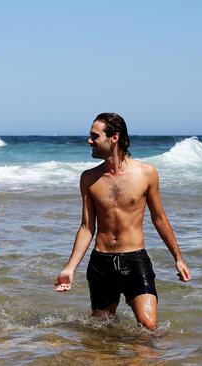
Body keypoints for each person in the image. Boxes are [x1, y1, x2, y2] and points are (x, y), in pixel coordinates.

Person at [54, 112, 191, 330]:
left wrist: (178, 258)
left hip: (135, 261)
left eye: (95, 136)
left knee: (148, 327)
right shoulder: (88, 178)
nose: (89, 141)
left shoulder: (146, 173)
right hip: (101, 263)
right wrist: (70, 268)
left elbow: (159, 218)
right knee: (102, 330)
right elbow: (87, 227)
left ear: (114, 137)